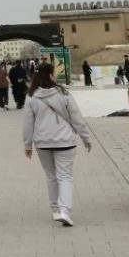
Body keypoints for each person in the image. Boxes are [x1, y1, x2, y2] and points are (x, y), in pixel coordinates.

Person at [23, 63, 92, 226]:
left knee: (51, 177)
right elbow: (76, 117)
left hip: (42, 143)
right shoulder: (63, 93)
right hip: (65, 141)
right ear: (51, 75)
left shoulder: (31, 96)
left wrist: (28, 145)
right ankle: (64, 211)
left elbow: (27, 123)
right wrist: (86, 137)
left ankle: (55, 210)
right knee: (65, 176)